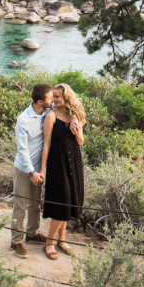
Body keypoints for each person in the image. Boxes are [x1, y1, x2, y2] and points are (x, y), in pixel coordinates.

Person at [40, 82, 86, 260]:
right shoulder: (50, 115)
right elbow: (46, 144)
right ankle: (49, 242)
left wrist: (77, 132)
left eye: (58, 96)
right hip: (57, 163)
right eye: (54, 96)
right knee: (63, 203)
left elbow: (80, 142)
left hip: (73, 162)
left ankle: (62, 239)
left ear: (67, 97)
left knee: (71, 200)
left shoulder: (74, 115)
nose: (54, 99)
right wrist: (42, 169)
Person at [11, 81, 54, 258]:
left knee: (35, 204)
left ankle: (31, 232)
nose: (52, 100)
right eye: (50, 98)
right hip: (24, 169)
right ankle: (16, 241)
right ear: (39, 102)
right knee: (20, 205)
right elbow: (22, 151)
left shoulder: (46, 112)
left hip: (38, 169)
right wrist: (31, 172)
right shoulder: (23, 120)